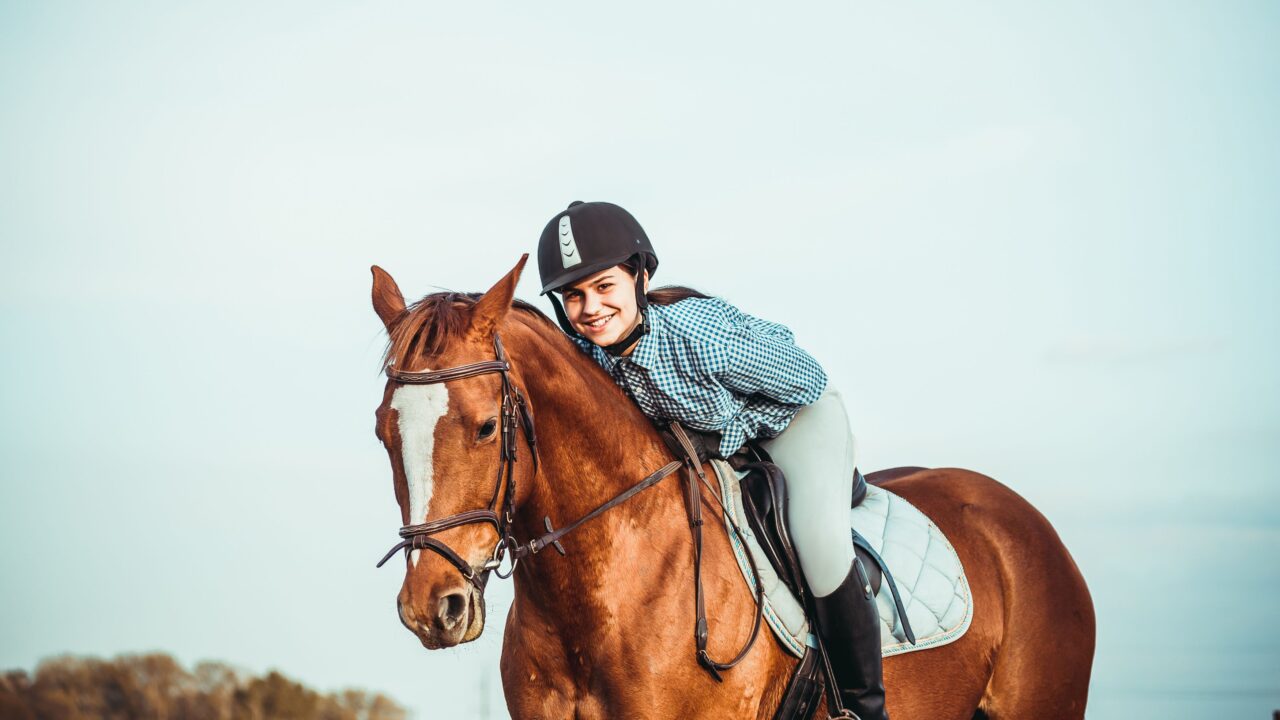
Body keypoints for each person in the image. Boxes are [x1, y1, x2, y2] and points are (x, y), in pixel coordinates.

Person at [536, 201, 888, 720]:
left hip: (794, 420)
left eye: (604, 286)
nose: (590, 308)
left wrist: (724, 437)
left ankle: (862, 707)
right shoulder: (591, 361)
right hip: (712, 447)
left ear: (640, 275)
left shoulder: (697, 336)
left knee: (819, 540)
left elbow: (805, 379)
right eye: (574, 295)